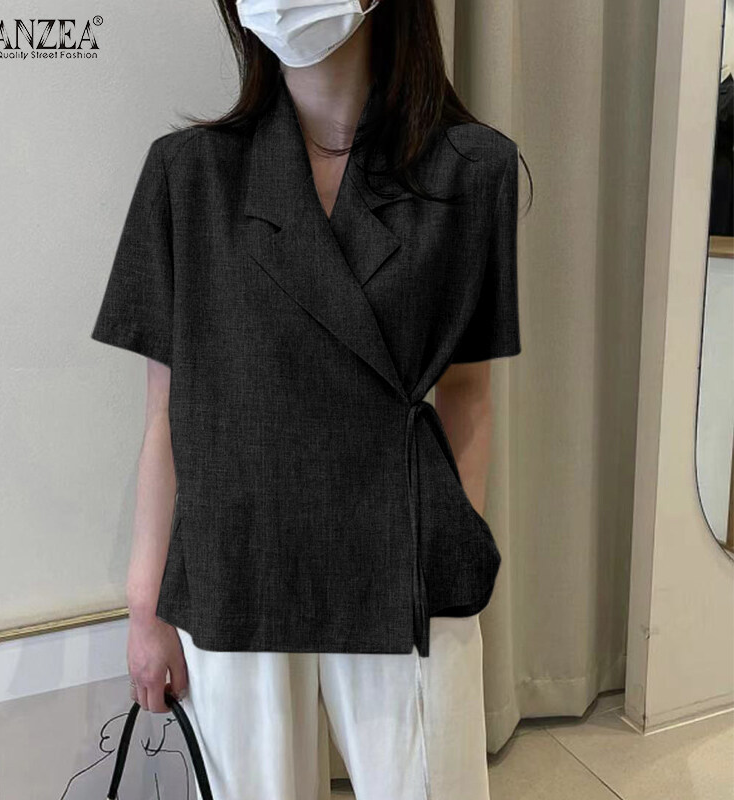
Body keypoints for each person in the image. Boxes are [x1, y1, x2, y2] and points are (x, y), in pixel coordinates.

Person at [91, 0, 531, 797]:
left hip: (400, 553)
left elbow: (469, 394)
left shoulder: (472, 169)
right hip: (237, 559)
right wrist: (144, 607)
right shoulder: (188, 175)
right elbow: (166, 414)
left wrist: (452, 559)